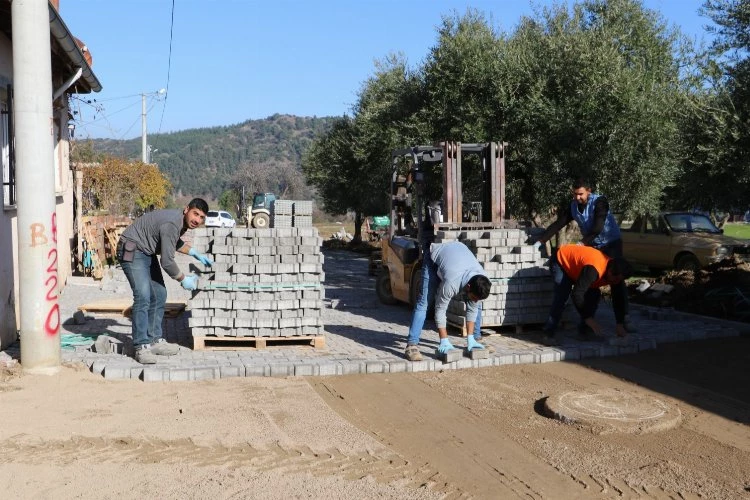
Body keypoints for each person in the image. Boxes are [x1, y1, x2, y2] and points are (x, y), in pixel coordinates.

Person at [529, 177, 635, 332]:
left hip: (610, 244)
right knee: (589, 284)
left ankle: (623, 319)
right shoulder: (574, 206)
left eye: (580, 194)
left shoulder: (600, 202)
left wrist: (582, 242)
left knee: (616, 281)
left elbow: (598, 227)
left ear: (589, 192)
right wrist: (541, 241)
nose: (577, 198)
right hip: (593, 247)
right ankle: (587, 323)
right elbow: (559, 223)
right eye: (574, 194)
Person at [118, 198, 214, 364]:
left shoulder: (179, 222)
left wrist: (194, 253)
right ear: (186, 209)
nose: (197, 220)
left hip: (146, 251)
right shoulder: (172, 223)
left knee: (160, 294)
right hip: (132, 249)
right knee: (143, 296)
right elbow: (167, 262)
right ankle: (141, 346)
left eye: (201, 217)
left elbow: (173, 242)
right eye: (195, 214)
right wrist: (183, 279)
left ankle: (154, 340)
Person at [405, 241, 492, 361]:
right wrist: (444, 340)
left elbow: (473, 308)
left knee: (476, 306)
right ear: (468, 287)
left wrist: (469, 337)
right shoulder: (452, 283)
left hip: (457, 256)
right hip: (434, 260)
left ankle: (474, 339)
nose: (475, 300)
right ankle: (412, 345)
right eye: (474, 297)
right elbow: (440, 309)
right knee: (424, 302)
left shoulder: (481, 278)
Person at [542, 244, 632, 346]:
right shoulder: (593, 270)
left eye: (619, 280)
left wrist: (619, 324)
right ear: (610, 272)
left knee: (594, 294)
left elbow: (618, 298)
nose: (616, 282)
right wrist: (588, 318)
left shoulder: (617, 273)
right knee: (563, 296)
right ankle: (548, 334)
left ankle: (584, 331)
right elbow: (577, 294)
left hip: (579, 268)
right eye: (615, 279)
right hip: (562, 261)